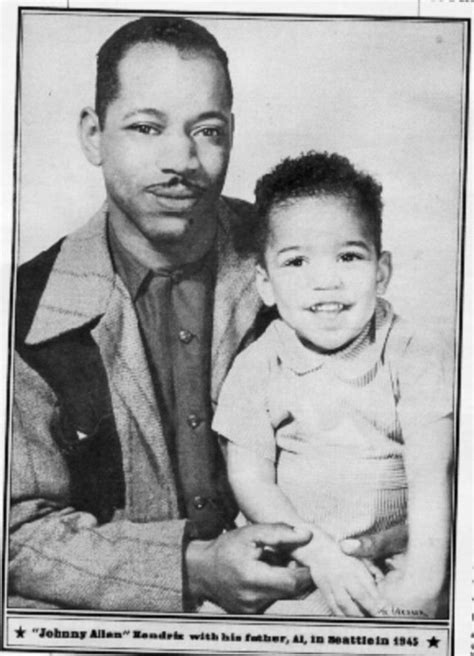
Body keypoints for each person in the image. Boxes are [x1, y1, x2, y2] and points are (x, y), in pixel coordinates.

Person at [10, 16, 407, 613]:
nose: (181, 159)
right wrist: (191, 569)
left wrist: (395, 527)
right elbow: (15, 533)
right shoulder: (26, 309)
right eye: (146, 127)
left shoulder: (298, 255)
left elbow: (402, 413)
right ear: (93, 134)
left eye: (207, 130)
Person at [213, 151, 453, 617]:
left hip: (402, 552)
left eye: (348, 256)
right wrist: (319, 554)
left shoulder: (413, 350)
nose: (325, 280)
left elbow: (431, 473)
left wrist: (424, 581)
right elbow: (250, 479)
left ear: (381, 272)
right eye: (297, 262)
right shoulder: (257, 365)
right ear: (264, 282)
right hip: (299, 555)